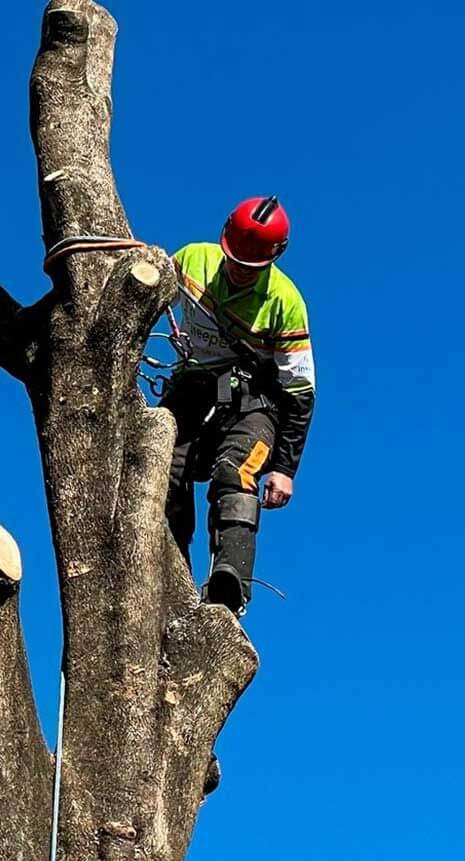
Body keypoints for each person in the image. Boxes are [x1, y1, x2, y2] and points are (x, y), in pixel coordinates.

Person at [160, 196, 315, 614]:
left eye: (251, 267)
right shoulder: (193, 261)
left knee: (237, 471)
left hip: (254, 404)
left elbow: (300, 393)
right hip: (192, 391)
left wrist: (284, 469)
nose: (239, 271)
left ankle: (230, 580)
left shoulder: (285, 302)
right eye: (234, 261)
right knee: (163, 471)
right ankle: (171, 571)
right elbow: (146, 294)